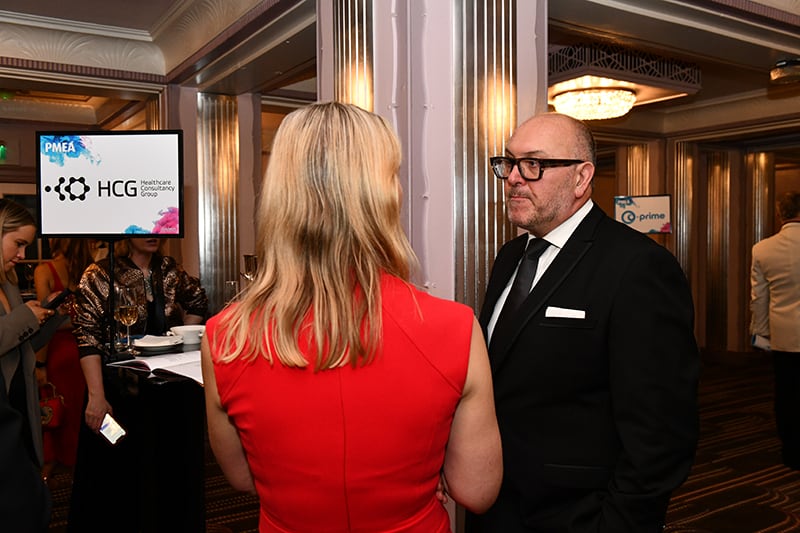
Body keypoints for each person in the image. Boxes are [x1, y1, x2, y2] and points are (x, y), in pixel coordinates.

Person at [201, 101, 503, 532]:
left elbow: (244, 478)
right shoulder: (455, 327)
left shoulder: (225, 337)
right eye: (394, 175)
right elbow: (477, 490)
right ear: (381, 197)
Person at [466, 112, 700, 533]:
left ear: (582, 177)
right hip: (497, 506)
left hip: (578, 515)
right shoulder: (511, 257)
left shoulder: (638, 266)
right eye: (509, 162)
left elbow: (661, 433)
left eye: (534, 164)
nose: (514, 178)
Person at [67, 237, 208, 531]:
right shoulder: (100, 273)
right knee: (122, 477)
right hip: (122, 392)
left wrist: (180, 338)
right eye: (142, 228)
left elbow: (198, 301)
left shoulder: (169, 269)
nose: (151, 234)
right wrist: (96, 396)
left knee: (169, 471)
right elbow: (87, 337)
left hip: (168, 392)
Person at [0, 198, 65, 531]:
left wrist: (51, 317)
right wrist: (26, 316)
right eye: (18, 243)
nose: (22, 254)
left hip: (17, 402)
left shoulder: (8, 282)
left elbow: (20, 347)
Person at [33, 238, 94, 483]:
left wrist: (40, 364)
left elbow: (44, 321)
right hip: (86, 352)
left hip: (58, 351)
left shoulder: (44, 270)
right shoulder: (91, 269)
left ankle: (49, 479)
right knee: (81, 412)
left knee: (56, 410)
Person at [750, 191, 800, 470]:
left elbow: (759, 298)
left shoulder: (762, 249)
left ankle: (792, 451)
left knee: (787, 395)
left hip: (784, 336)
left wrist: (760, 334)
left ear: (781, 214)